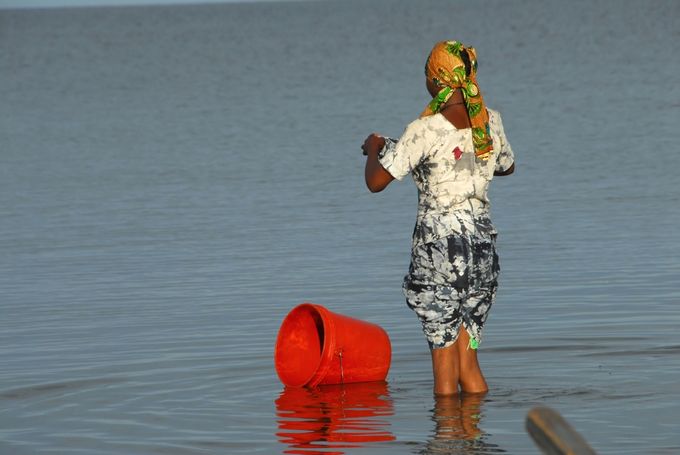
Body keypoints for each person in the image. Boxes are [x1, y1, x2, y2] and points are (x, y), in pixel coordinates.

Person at [362, 40, 515, 396]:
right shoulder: (490, 121)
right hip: (481, 254)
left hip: (440, 255)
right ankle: (475, 443)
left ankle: (446, 445)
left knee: (445, 382)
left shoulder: (425, 129)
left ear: (436, 81)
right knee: (470, 365)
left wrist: (374, 148)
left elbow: (376, 181)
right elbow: (506, 166)